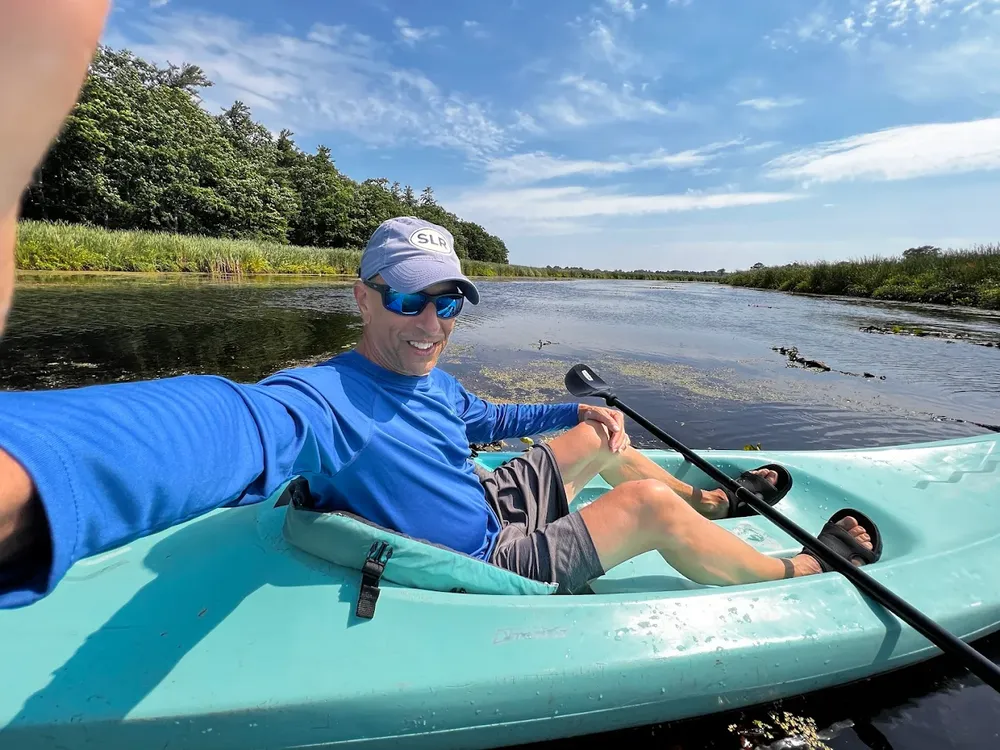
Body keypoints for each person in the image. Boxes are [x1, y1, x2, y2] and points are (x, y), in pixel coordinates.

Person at [0, 211, 879, 608]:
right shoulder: (327, 395)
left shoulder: (428, 378)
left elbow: (483, 422)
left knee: (593, 436)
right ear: (364, 297)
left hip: (490, 500)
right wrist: (36, 464)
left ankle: (711, 505)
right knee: (639, 501)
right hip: (496, 553)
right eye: (410, 301)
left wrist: (572, 415)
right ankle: (797, 572)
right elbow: (235, 421)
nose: (430, 324)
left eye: (449, 303)